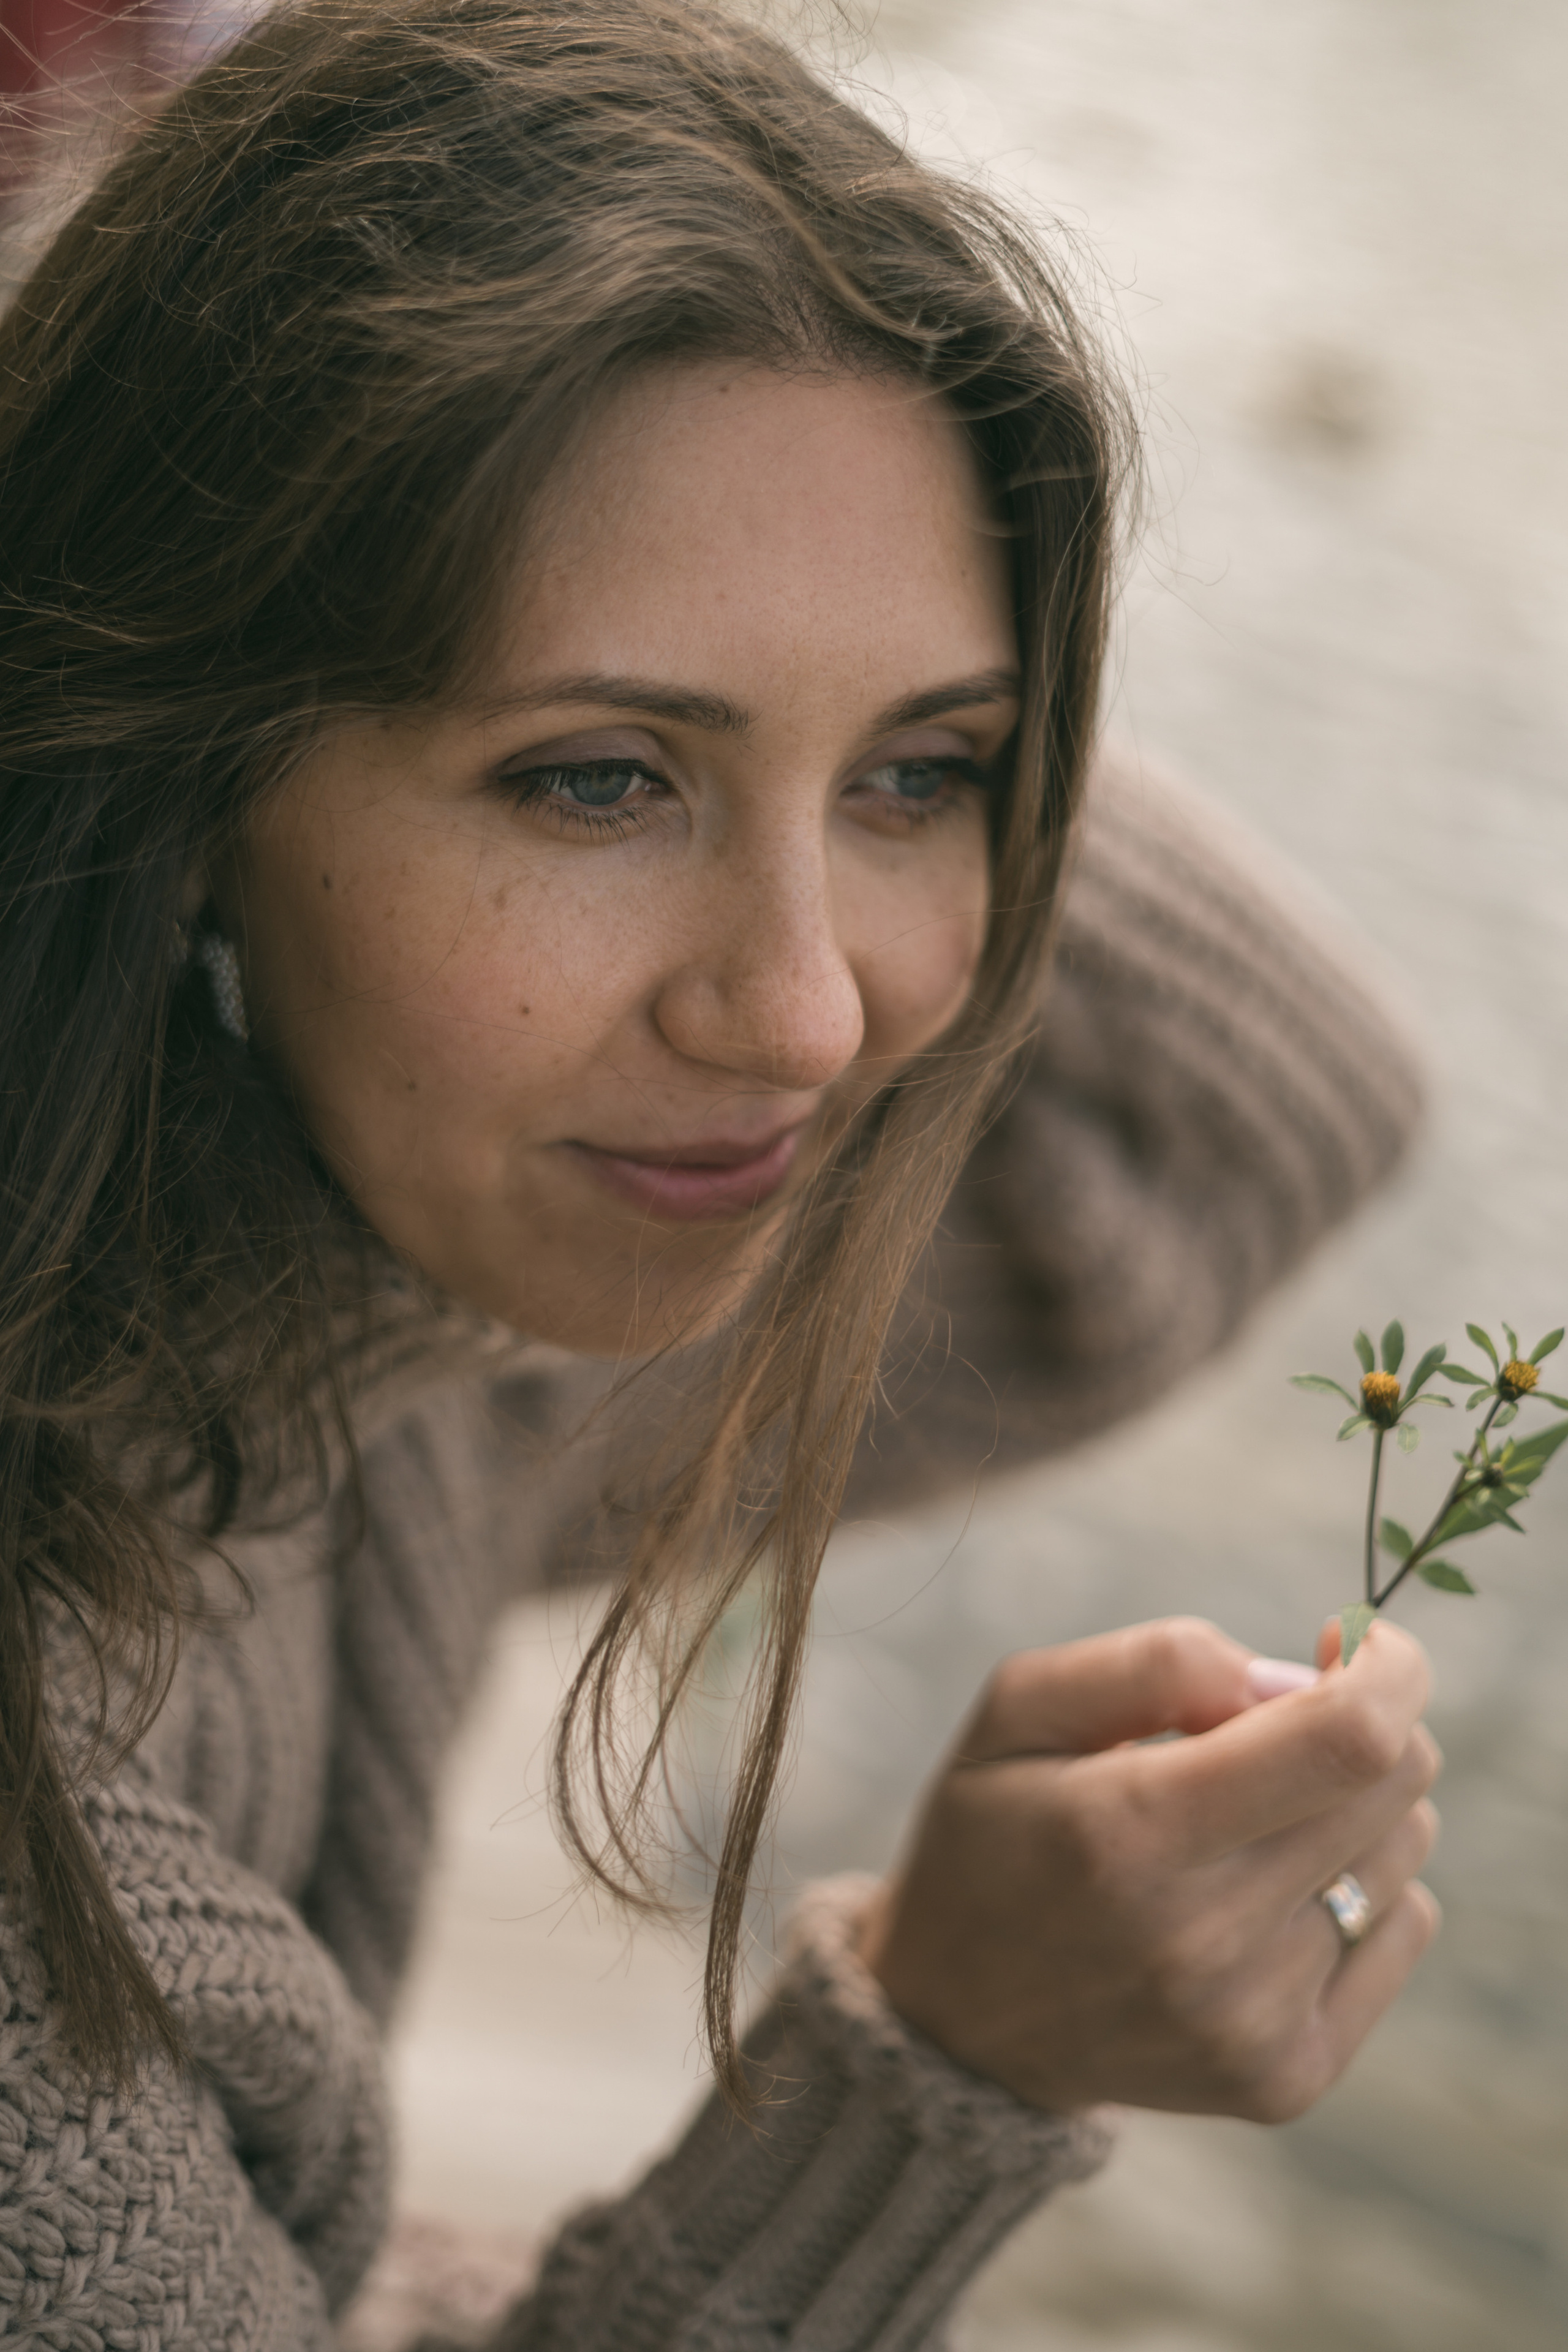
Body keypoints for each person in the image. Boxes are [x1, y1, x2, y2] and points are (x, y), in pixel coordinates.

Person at [0, 1, 1440, 2343]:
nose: (805, 1016)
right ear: (164, 777)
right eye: (595, 779)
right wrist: (946, 2067)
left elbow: (1253, 1109)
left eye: (922, 778)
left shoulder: (380, 1300)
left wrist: (753, 313)